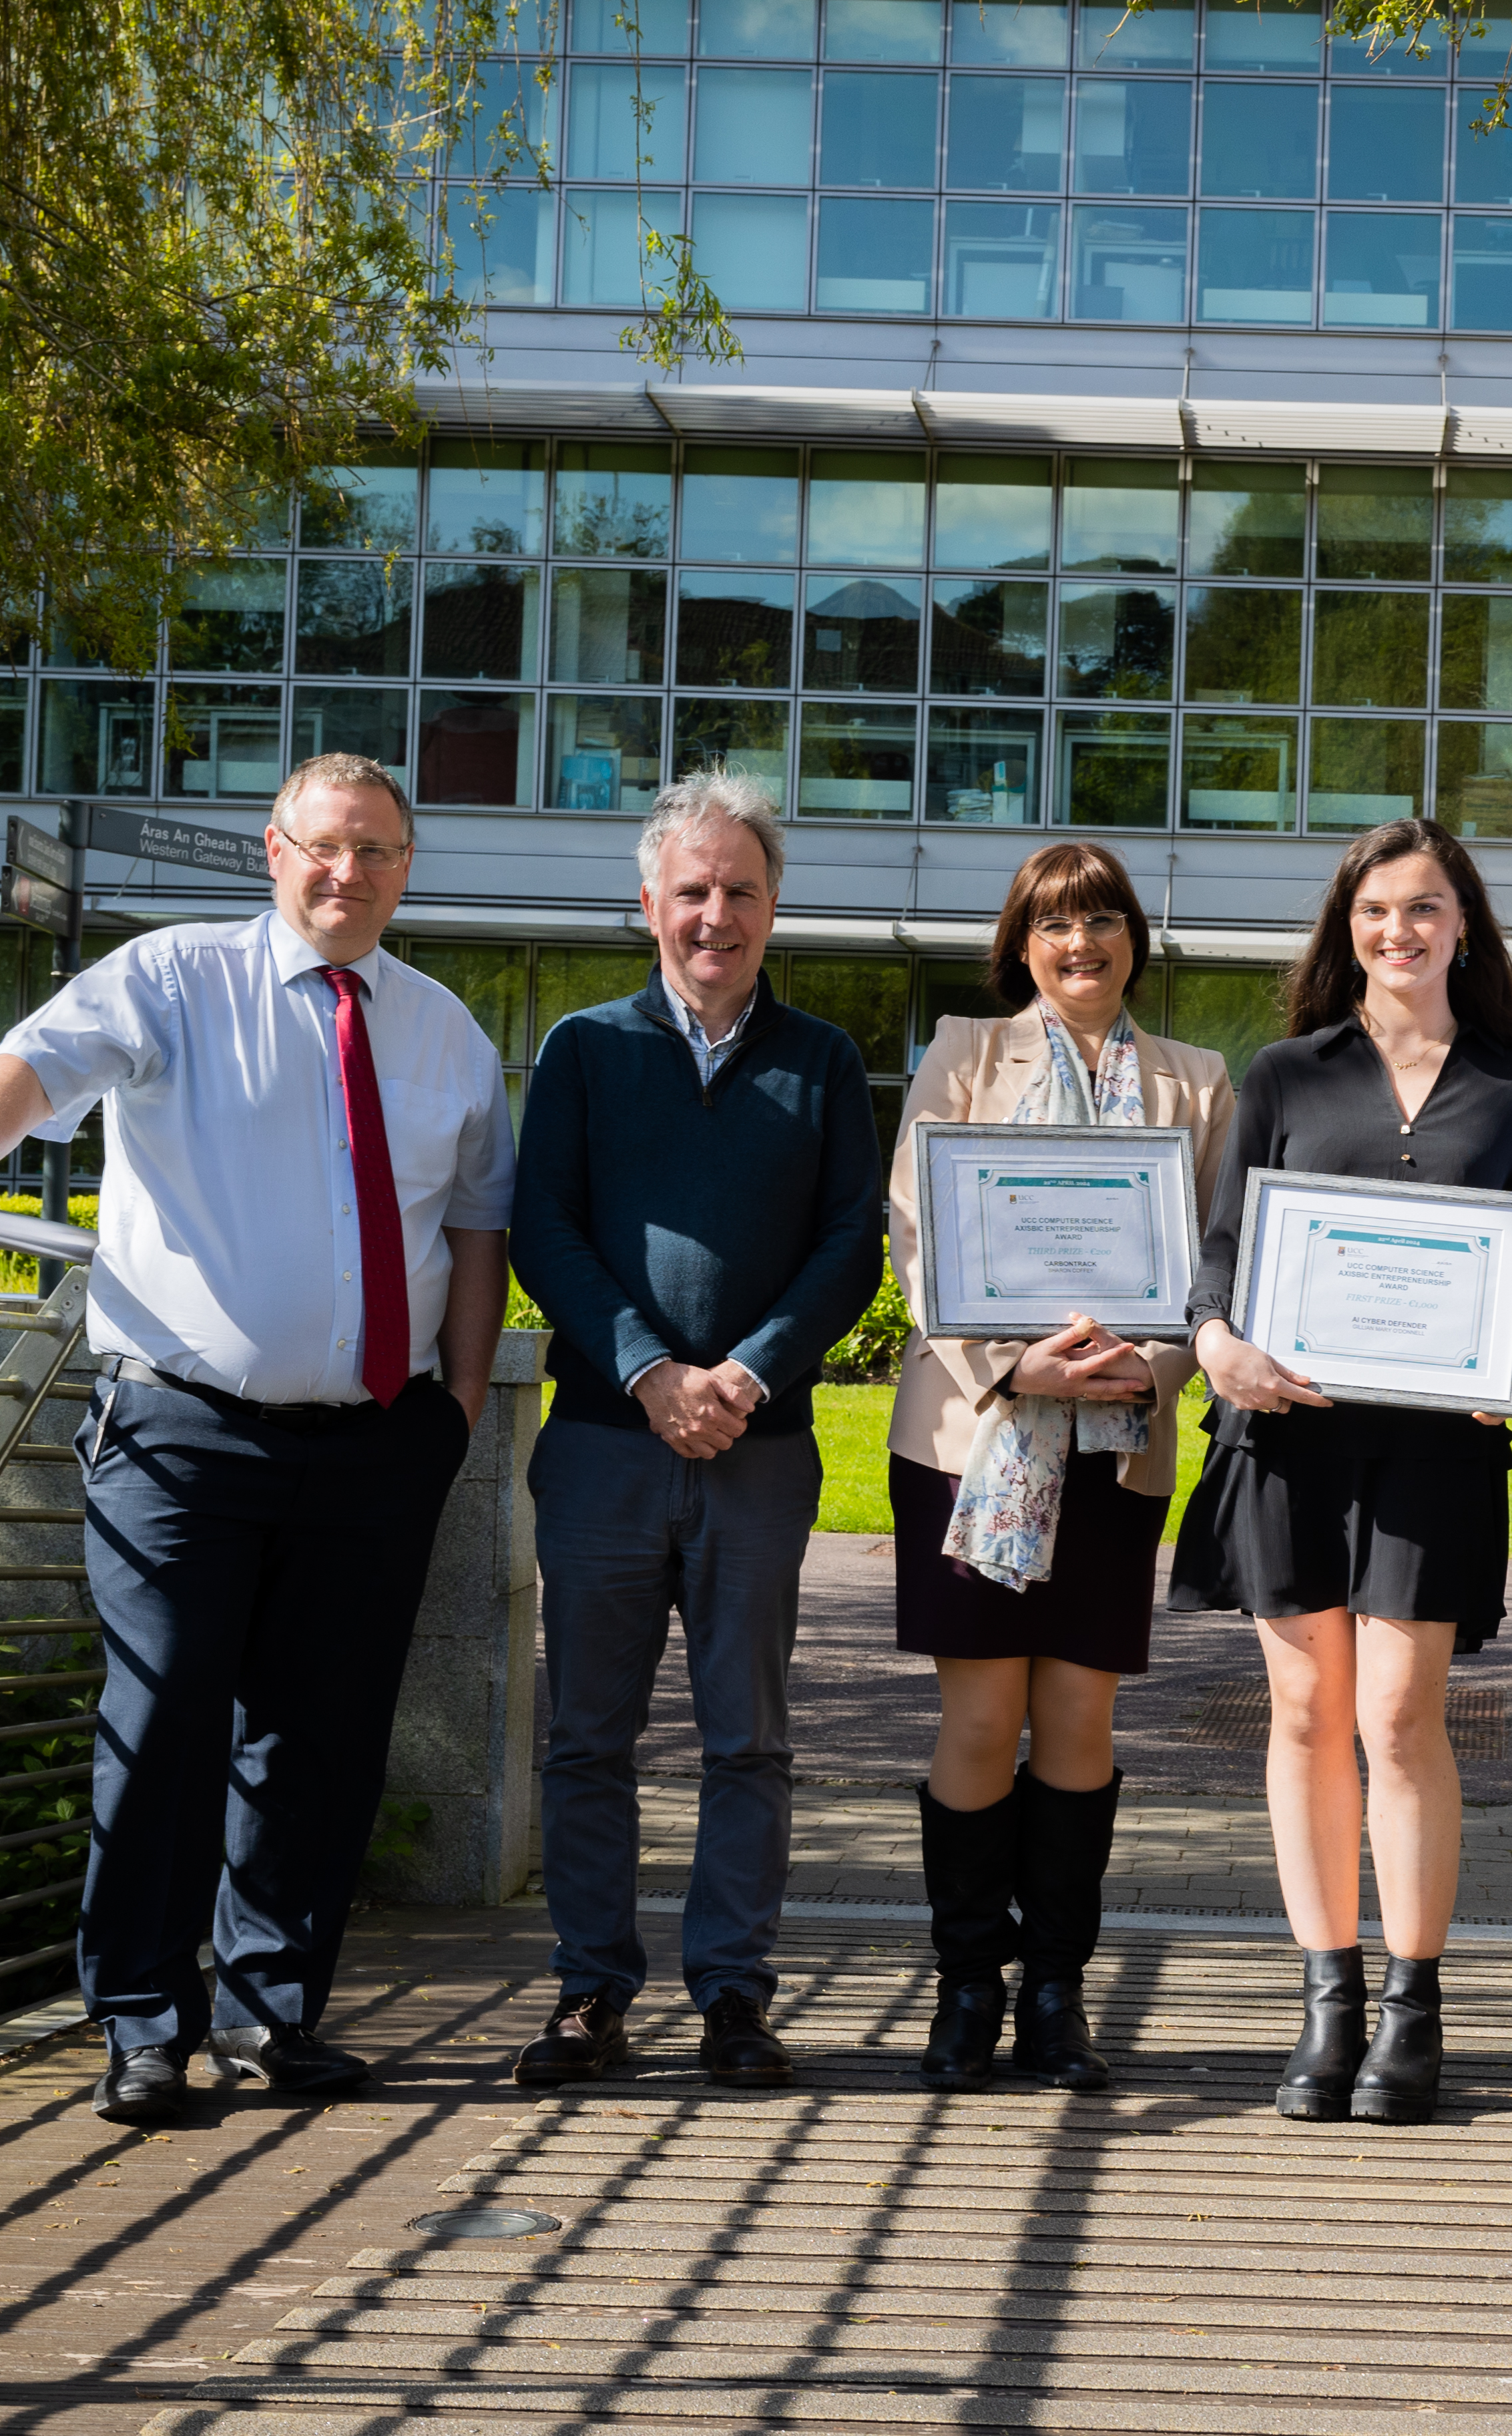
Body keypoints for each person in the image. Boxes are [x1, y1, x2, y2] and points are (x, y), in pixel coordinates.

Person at [0, 753, 514, 2127]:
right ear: (274, 852)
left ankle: (274, 2016)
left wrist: (455, 1409)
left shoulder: (447, 1032)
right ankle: (145, 2020)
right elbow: (32, 1069)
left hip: (375, 1446)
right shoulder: (172, 979)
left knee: (320, 1740)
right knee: (162, 1721)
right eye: (325, 846)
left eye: (380, 853)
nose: (350, 874)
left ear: (408, 870)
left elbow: (474, 1230)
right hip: (181, 1431)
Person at [1169, 818, 1512, 2126]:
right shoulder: (1287, 1074)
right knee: (1302, 1717)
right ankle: (1324, 1998)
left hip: (1433, 1451)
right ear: (1347, 931)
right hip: (1290, 1436)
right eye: (1375, 913)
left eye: (1425, 909)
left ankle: (1413, 2006)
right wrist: (1217, 1343)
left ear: (1465, 927)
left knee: (1400, 1719)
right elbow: (1221, 1258)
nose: (1399, 933)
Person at [505, 771, 885, 2091]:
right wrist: (652, 1371)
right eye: (692, 891)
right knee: (586, 1738)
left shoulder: (823, 1062)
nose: (714, 915)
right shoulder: (584, 1051)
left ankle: (733, 1997)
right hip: (608, 1445)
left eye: (740, 890)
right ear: (649, 903)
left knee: (749, 1741)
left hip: (759, 1456)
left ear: (774, 905)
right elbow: (543, 1228)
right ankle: (590, 1997)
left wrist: (748, 1377)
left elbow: (852, 1249)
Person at [885, 843, 1236, 2093]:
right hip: (974, 1435)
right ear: (1021, 945)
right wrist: (1010, 1364)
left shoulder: (1198, 1083)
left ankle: (1056, 1994)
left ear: (1134, 938)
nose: (1079, 944)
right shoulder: (966, 1057)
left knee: (1079, 1719)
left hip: (1118, 1441)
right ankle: (968, 1984)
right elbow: (918, 1234)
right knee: (980, 1717)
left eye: (1101, 921)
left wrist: (1152, 1365)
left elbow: (1214, 1269)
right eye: (1053, 925)